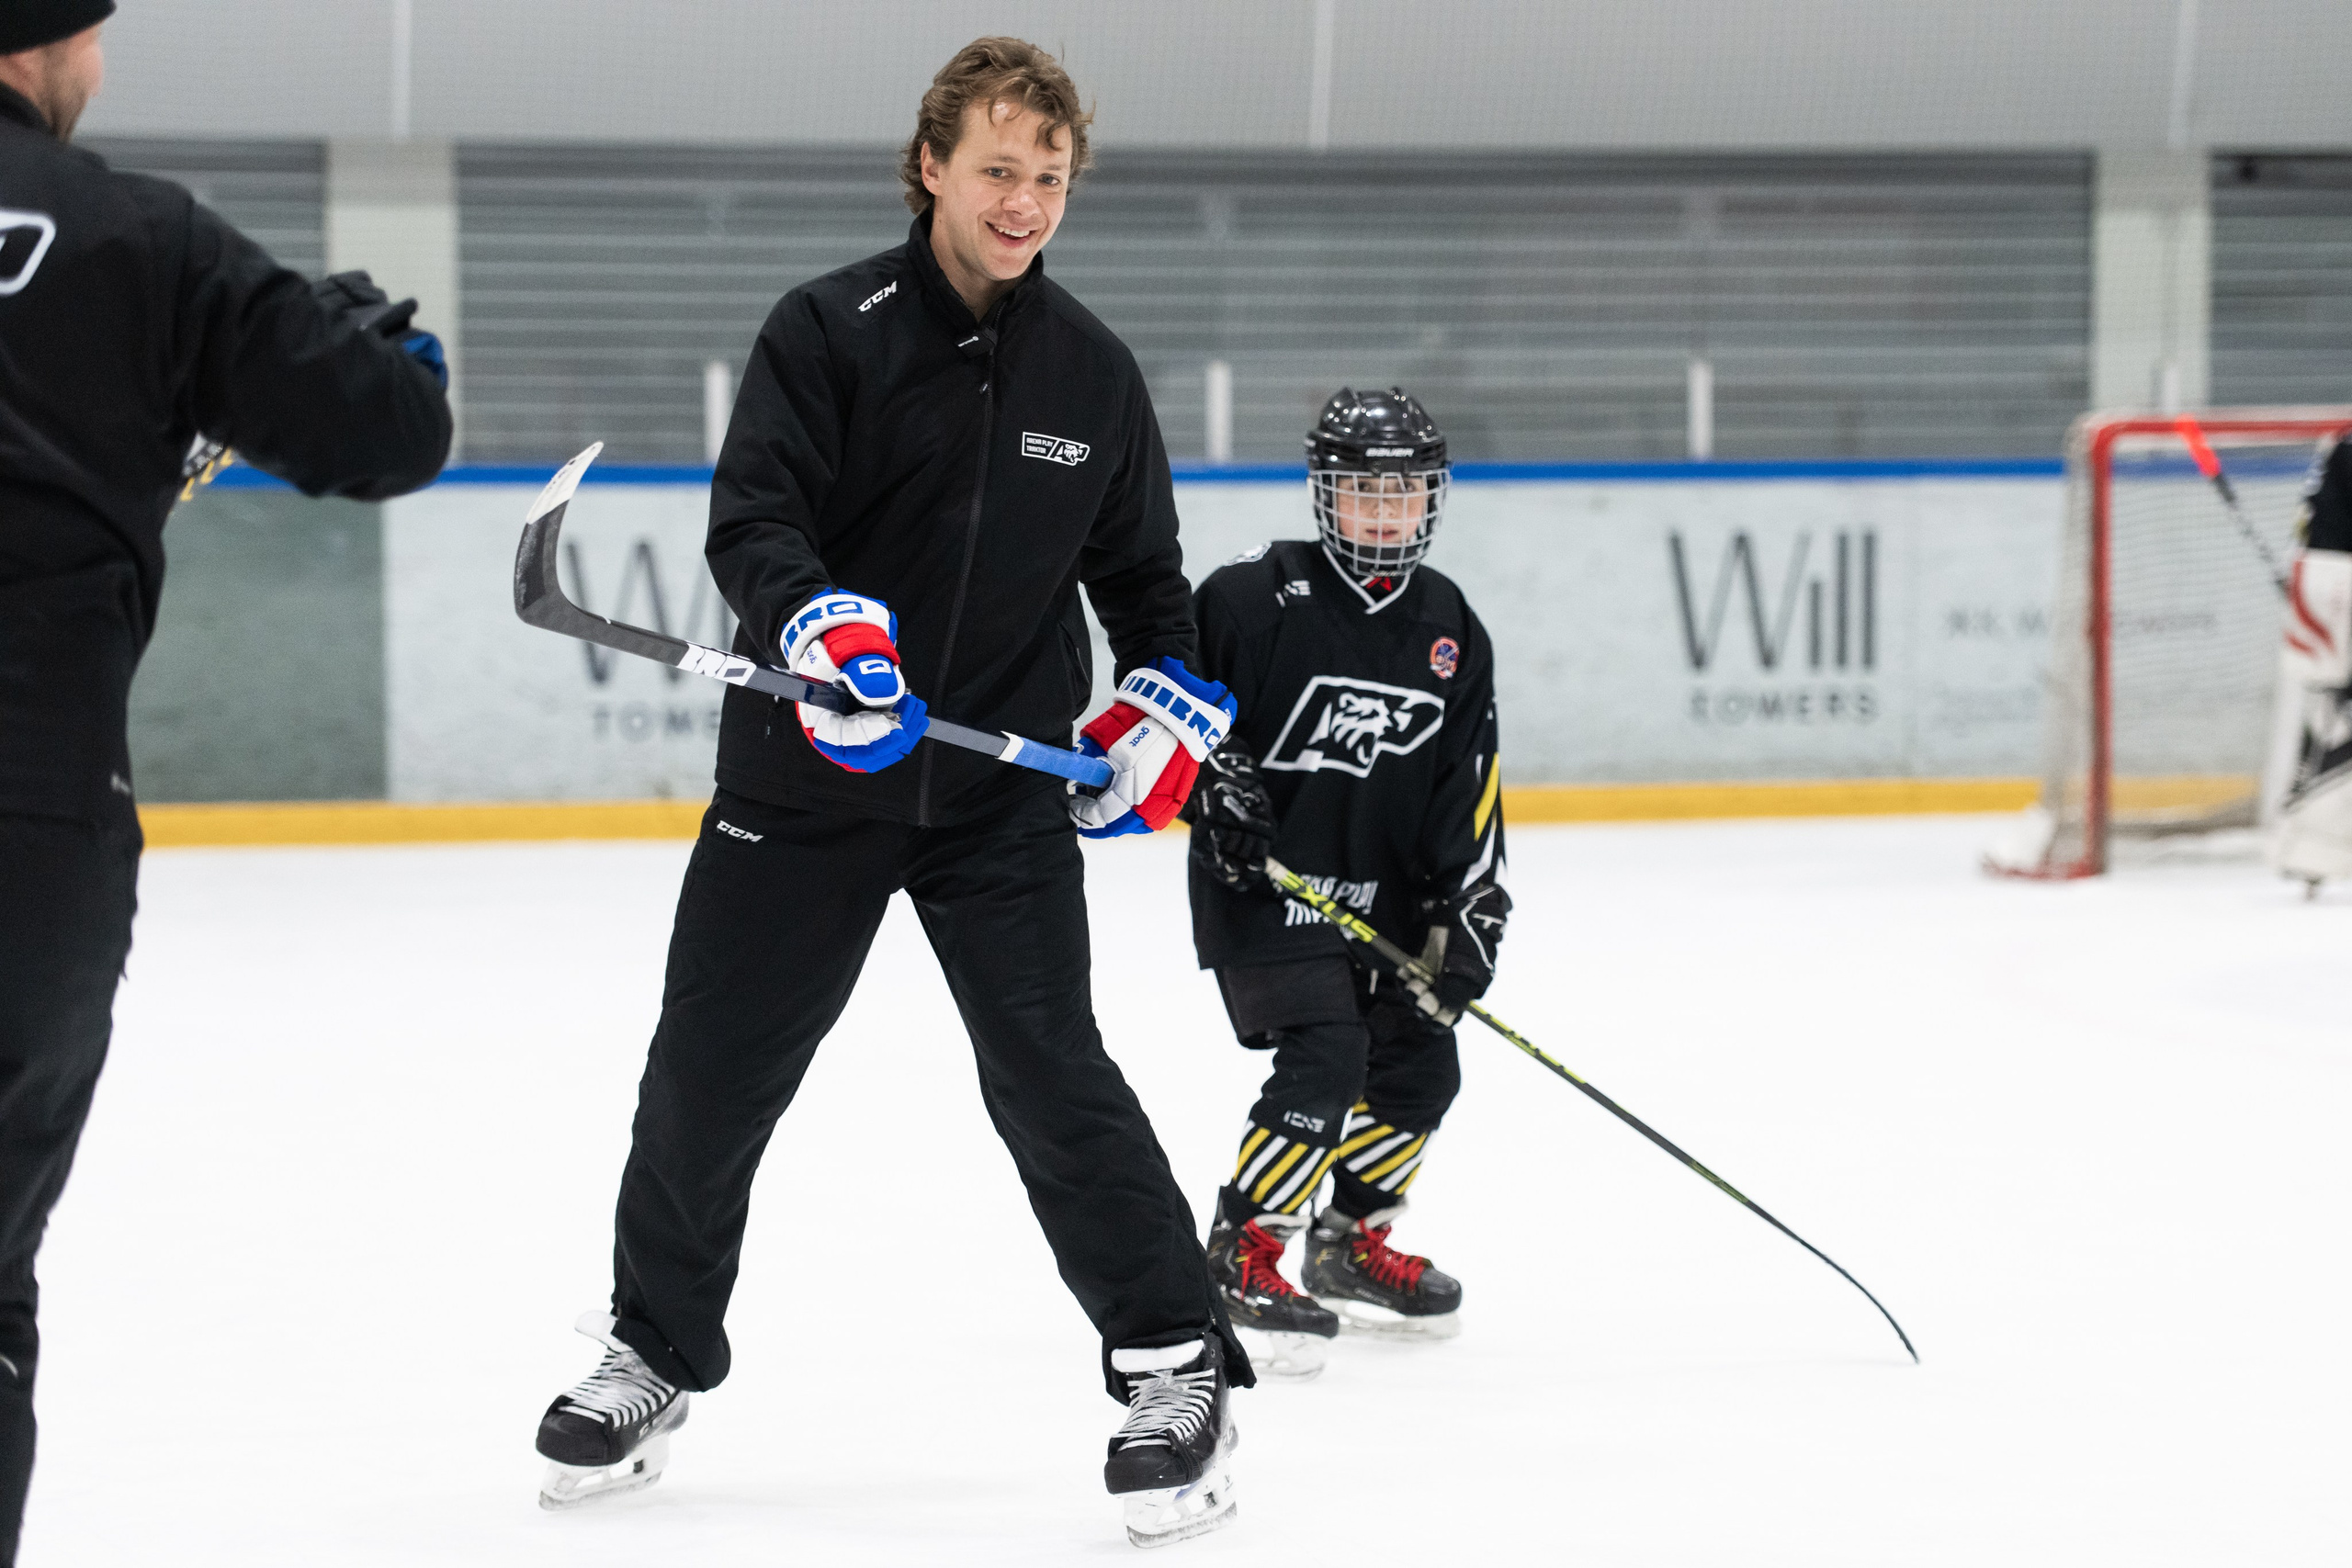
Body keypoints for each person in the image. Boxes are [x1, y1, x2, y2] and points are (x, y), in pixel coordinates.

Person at [530, 39, 1247, 1549]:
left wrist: (1156, 718)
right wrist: (821, 626)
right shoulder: (827, 331)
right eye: (999, 169)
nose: (1025, 202)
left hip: (992, 797)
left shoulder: (1093, 377)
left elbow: (1148, 592)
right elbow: (757, 521)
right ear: (931, 164)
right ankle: (653, 1352)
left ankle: (1176, 1363)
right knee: (712, 1071)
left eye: (1051, 177)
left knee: (1051, 1070)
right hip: (804, 781)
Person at [0, 5, 453, 1562]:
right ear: (32, 54)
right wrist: (387, 352)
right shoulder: (143, 241)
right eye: (89, 37)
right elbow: (388, 426)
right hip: (28, 825)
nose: (98, 67)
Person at [1180, 389, 1508, 1379]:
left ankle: (1347, 1243)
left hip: (1388, 900)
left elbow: (1471, 786)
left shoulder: (1450, 623)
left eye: (1400, 495)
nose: (1380, 515)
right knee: (1326, 1058)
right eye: (1361, 493)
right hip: (1265, 886)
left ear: (1431, 502)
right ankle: (1242, 1252)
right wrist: (1212, 784)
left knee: (1420, 1067)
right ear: (1324, 495)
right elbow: (1173, 719)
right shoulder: (1247, 597)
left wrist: (1472, 910)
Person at [2274, 433, 2352, 891]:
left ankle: (2305, 848)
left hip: (2318, 583)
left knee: (2328, 717)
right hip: (2337, 586)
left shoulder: (2338, 446)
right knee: (2337, 721)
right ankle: (2312, 848)